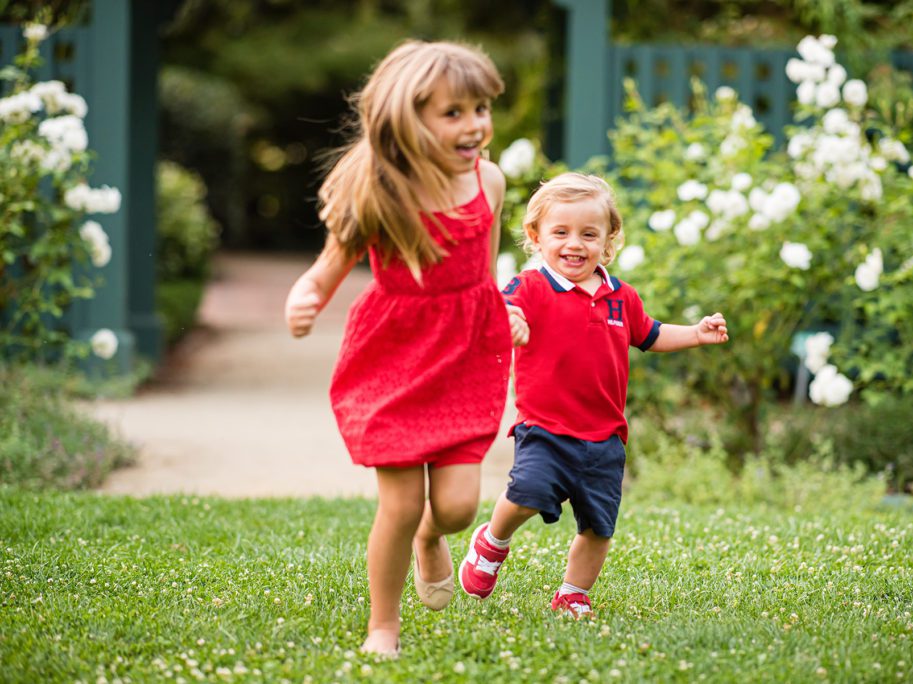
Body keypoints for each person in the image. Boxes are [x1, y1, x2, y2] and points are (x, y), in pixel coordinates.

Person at [284, 40, 526, 656]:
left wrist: (506, 307)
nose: (474, 124)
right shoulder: (378, 193)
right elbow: (327, 268)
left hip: (467, 355)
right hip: (394, 359)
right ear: (406, 118)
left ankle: (430, 537)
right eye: (454, 112)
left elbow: (486, 266)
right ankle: (383, 626)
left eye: (480, 108)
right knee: (399, 502)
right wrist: (306, 296)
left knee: (456, 507)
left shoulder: (488, 182)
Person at [458, 173, 729, 617]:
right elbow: (499, 308)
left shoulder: (621, 297)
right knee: (527, 492)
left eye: (589, 234)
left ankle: (573, 592)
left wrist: (696, 334)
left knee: (599, 527)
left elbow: (652, 334)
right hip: (545, 426)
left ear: (608, 240)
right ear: (536, 236)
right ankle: (492, 541)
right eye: (560, 232)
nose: (575, 244)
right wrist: (508, 320)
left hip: (605, 438)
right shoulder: (530, 287)